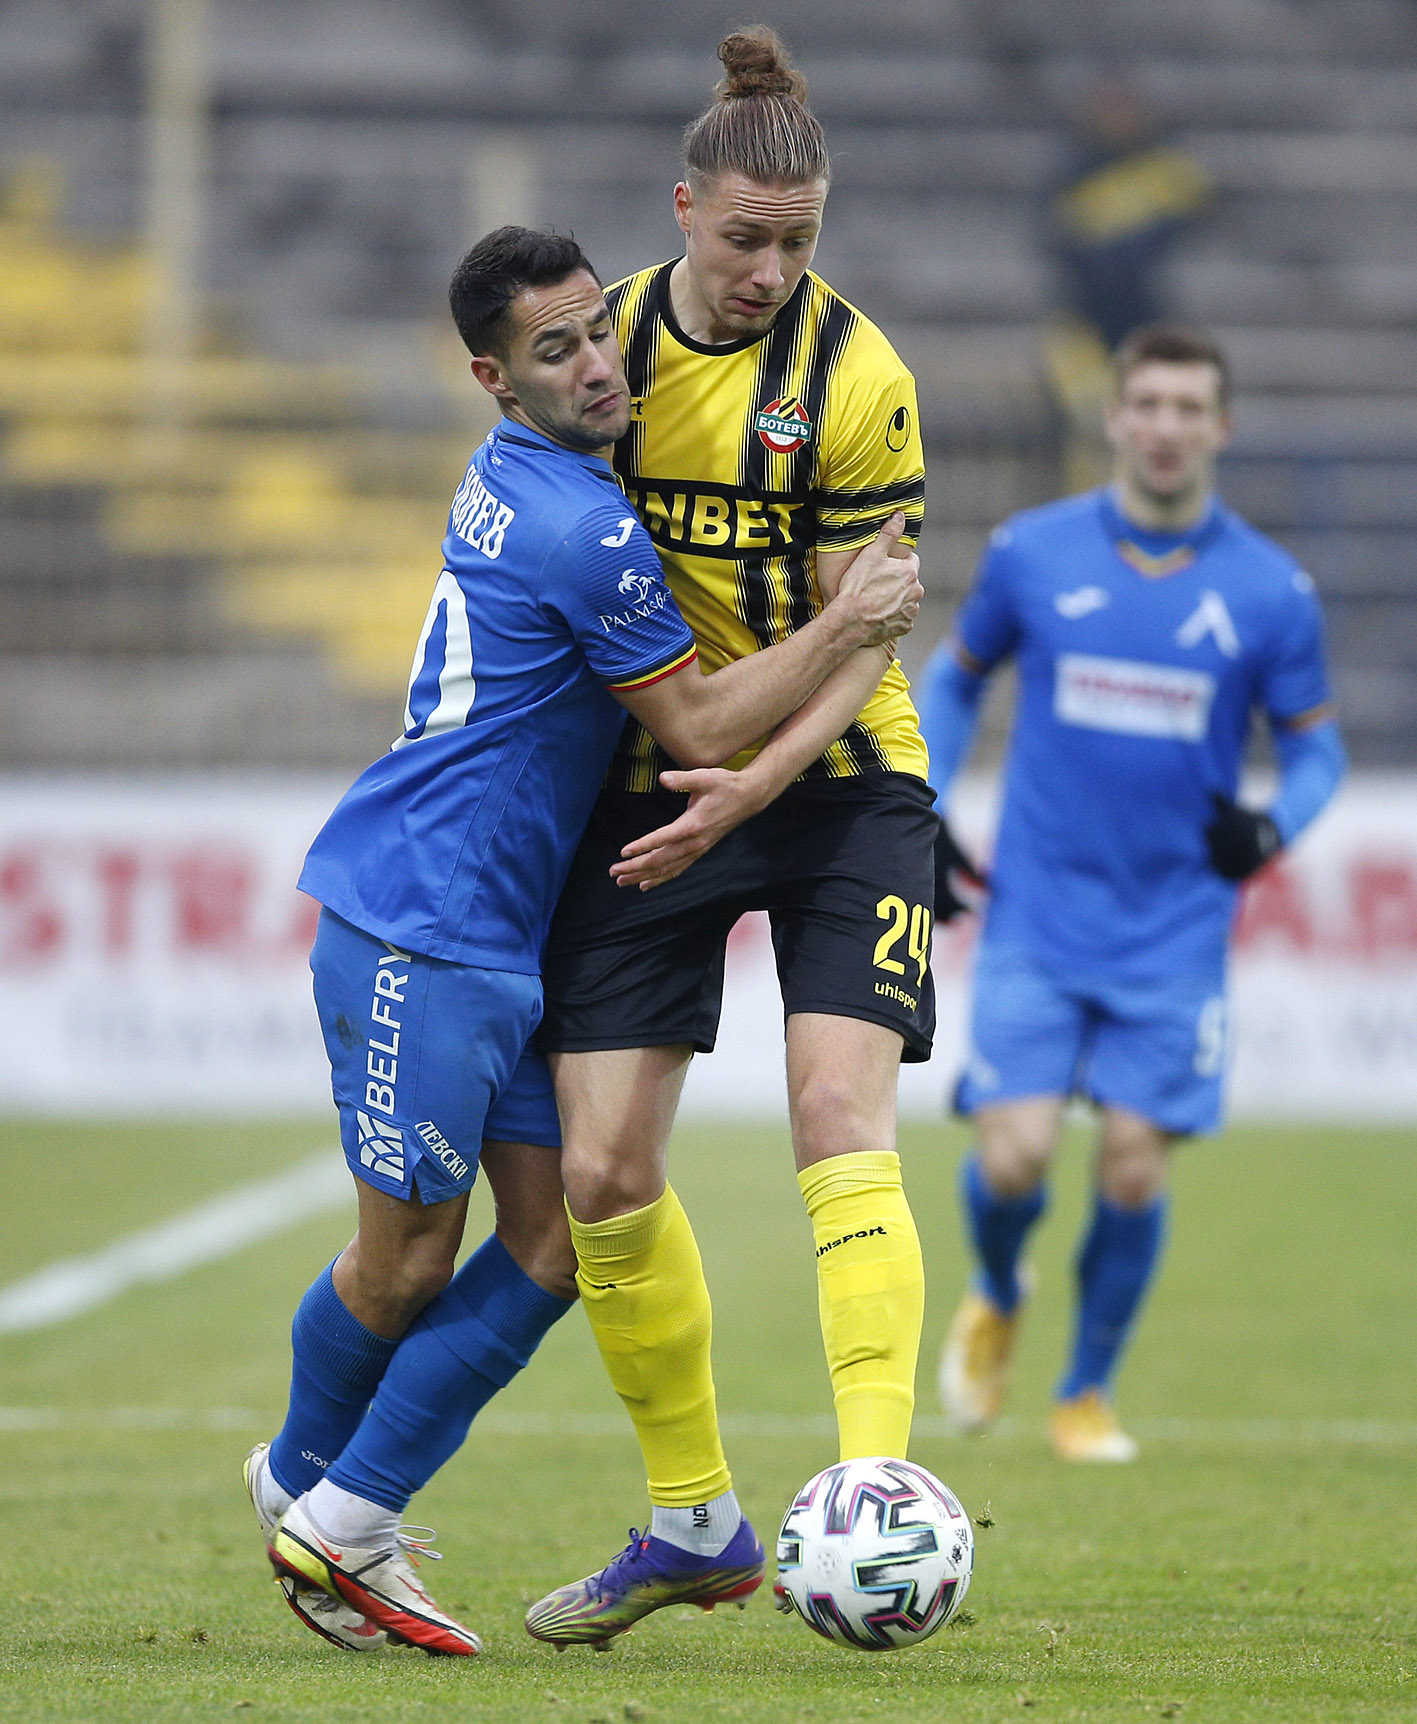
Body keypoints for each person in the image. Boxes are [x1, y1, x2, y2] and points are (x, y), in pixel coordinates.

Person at [245, 224, 923, 1656]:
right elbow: (698, 722)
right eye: (555, 351)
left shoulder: (530, 475)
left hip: (495, 927)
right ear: (494, 380)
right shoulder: (584, 523)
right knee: (405, 1262)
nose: (600, 366)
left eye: (598, 332)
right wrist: (850, 620)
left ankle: (333, 1508)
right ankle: (319, 1498)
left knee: (557, 1240)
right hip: (423, 922)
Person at [523, 28, 938, 1648]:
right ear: (683, 207)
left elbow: (866, 635)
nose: (771, 272)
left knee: (836, 1111)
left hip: (835, 777)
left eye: (800, 243)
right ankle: (694, 1520)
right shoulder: (604, 352)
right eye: (746, 239)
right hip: (654, 781)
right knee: (603, 1166)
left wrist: (751, 788)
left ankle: (876, 1489)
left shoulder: (860, 381)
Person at [919, 323, 1346, 1462]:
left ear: (1221, 426)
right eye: (1146, 404)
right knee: (1012, 1157)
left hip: (1173, 927)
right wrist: (925, 799)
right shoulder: (1031, 553)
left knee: (1132, 1162)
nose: (1165, 427)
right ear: (1112, 416)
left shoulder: (1270, 590)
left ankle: (1085, 1393)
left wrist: (1274, 824)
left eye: (1187, 408)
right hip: (1038, 912)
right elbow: (953, 683)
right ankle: (998, 1287)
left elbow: (1317, 751)